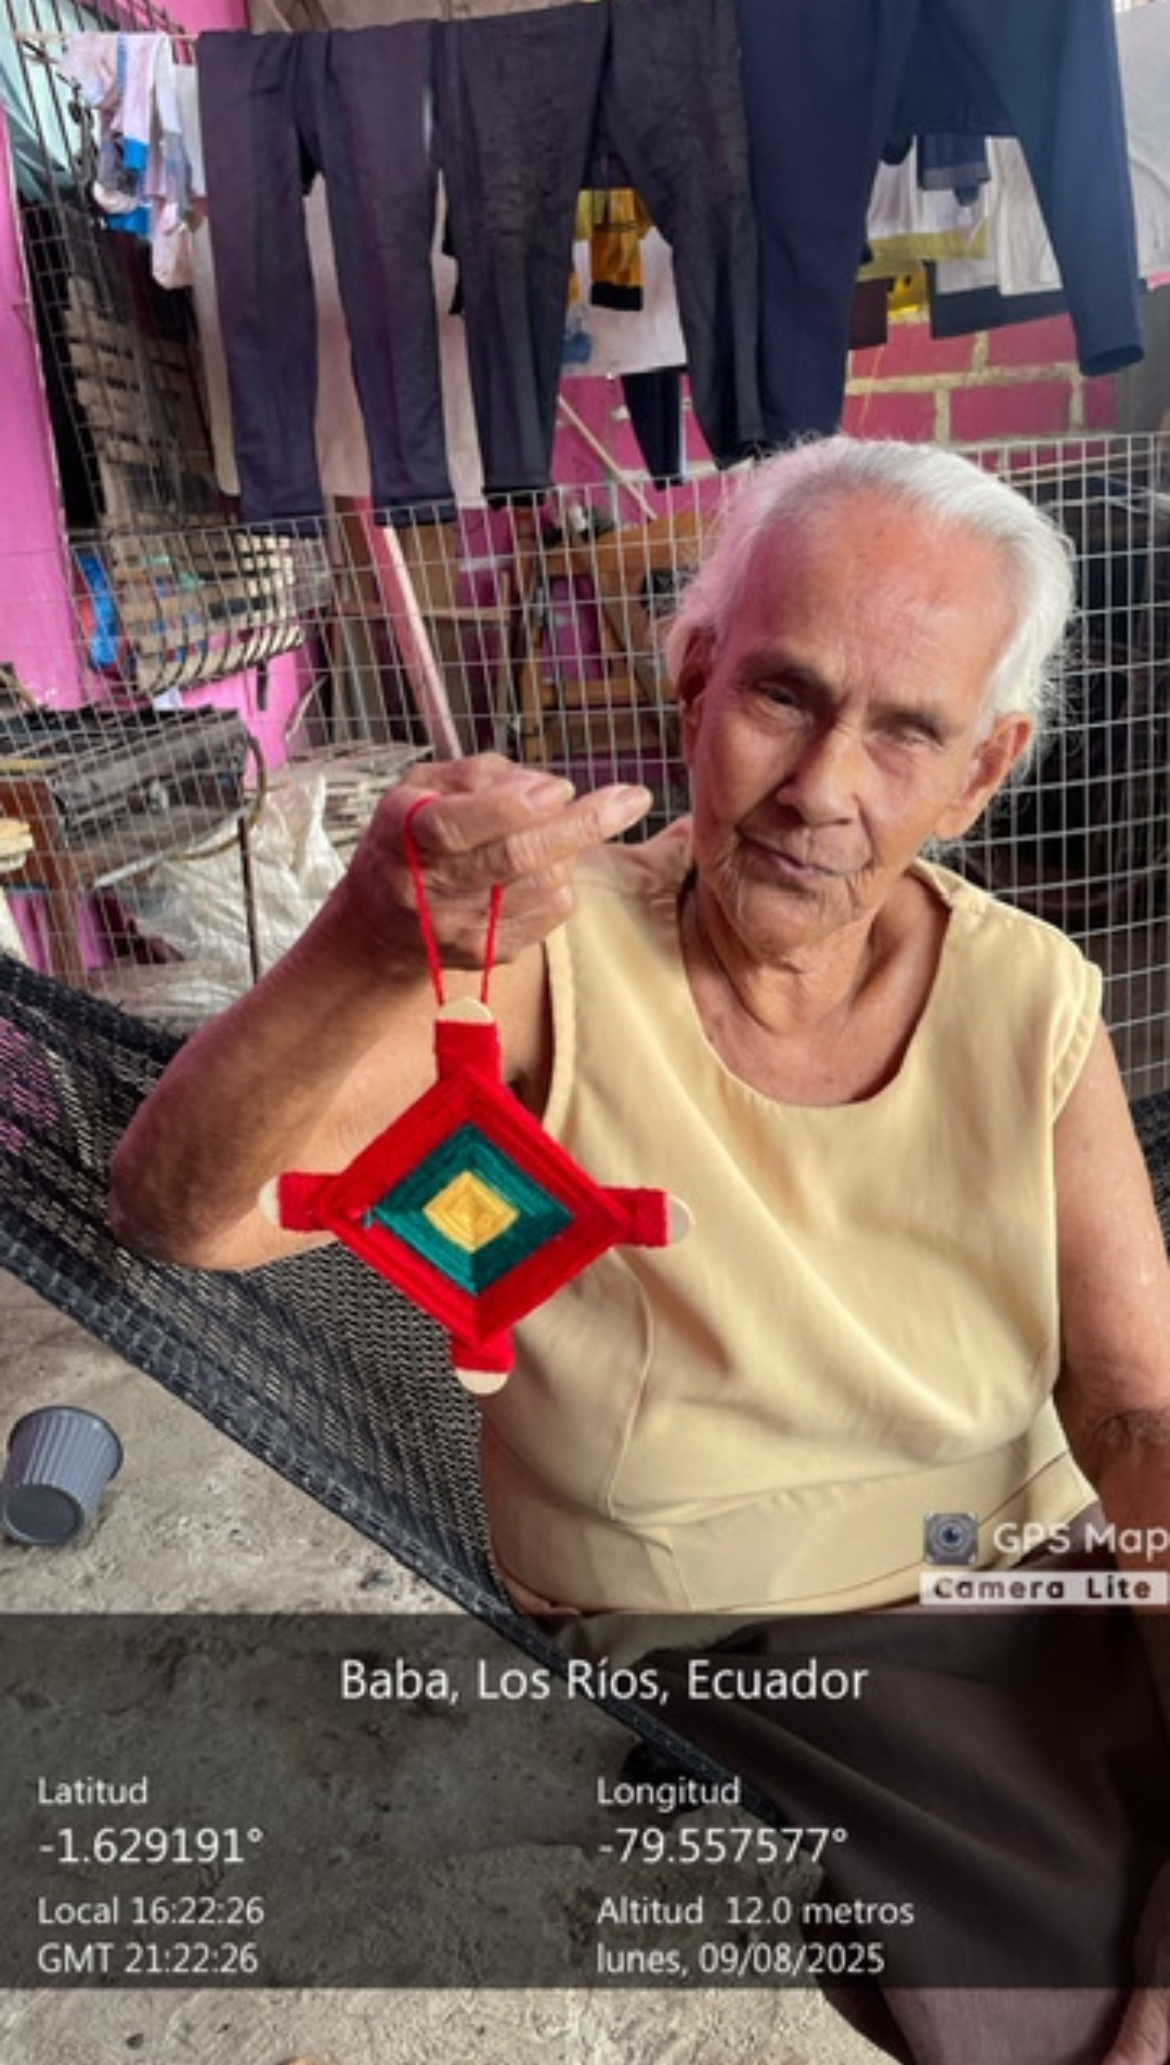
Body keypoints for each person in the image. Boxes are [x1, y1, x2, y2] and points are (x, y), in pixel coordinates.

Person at [110, 439, 1170, 2065]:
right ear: (691, 680)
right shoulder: (549, 971)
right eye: (781, 694)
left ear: (982, 770)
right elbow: (181, 1209)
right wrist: (365, 941)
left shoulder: (1026, 994)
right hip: (775, 1664)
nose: (822, 788)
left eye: (906, 731)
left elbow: (1131, 1416)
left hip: (1051, 1577)